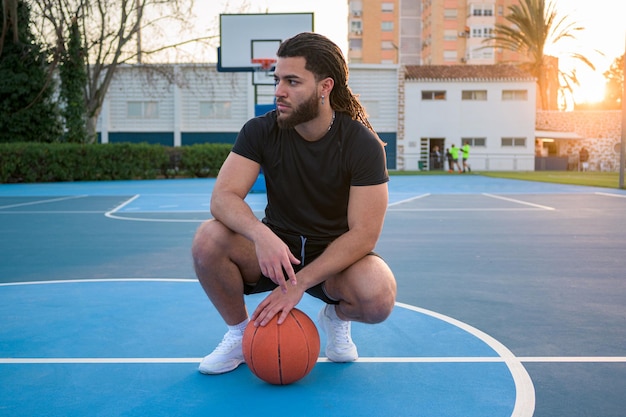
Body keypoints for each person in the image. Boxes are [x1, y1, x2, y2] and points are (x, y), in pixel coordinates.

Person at [192, 32, 397, 375]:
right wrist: (261, 235)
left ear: (324, 86)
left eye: (292, 81)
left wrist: (298, 285)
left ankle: (335, 315)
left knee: (378, 296)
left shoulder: (363, 145)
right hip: (278, 250)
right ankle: (241, 335)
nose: (279, 91)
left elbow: (363, 236)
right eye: (277, 80)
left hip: (333, 259)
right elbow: (223, 198)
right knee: (208, 239)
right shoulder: (260, 131)